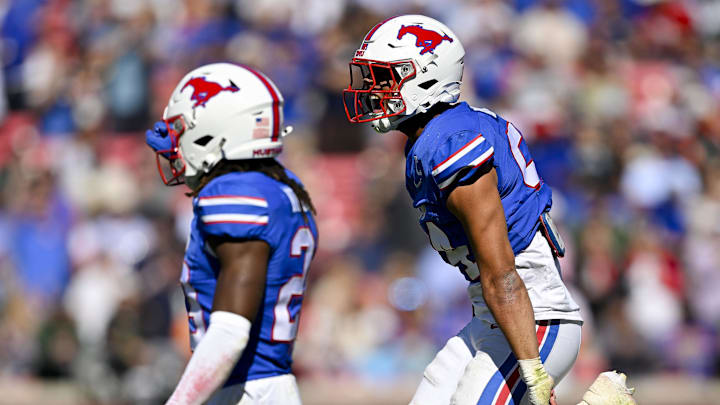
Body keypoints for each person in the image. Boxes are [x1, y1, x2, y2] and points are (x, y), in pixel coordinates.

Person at [343, 15, 582, 405]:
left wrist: (532, 366)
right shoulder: (441, 133)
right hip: (494, 318)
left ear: (424, 76)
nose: (372, 90)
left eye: (384, 78)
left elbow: (500, 269)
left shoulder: (450, 141)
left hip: (532, 316)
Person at [146, 63, 317, 405]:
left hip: (247, 392)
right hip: (264, 388)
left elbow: (230, 329)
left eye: (182, 129)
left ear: (214, 132)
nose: (174, 143)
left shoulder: (235, 192)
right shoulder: (283, 186)